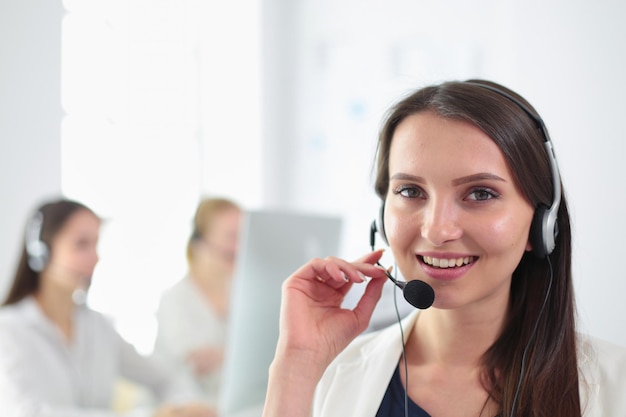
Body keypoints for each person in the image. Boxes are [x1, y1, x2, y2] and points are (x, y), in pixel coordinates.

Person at [261, 80, 626, 417]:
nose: (437, 230)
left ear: (541, 224)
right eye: (410, 191)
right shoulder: (330, 376)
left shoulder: (616, 386)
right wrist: (297, 364)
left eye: (480, 193)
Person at [0, 198, 215, 417]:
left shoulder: (97, 326)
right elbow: (26, 413)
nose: (95, 257)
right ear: (41, 252)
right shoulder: (9, 331)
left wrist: (184, 406)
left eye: (96, 244)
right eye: (81, 244)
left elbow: (167, 377)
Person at [153, 197, 241, 407]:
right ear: (200, 240)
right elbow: (199, 365)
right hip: (180, 408)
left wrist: (223, 356)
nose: (239, 247)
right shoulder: (175, 299)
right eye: (232, 236)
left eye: (244, 236)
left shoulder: (242, 297)